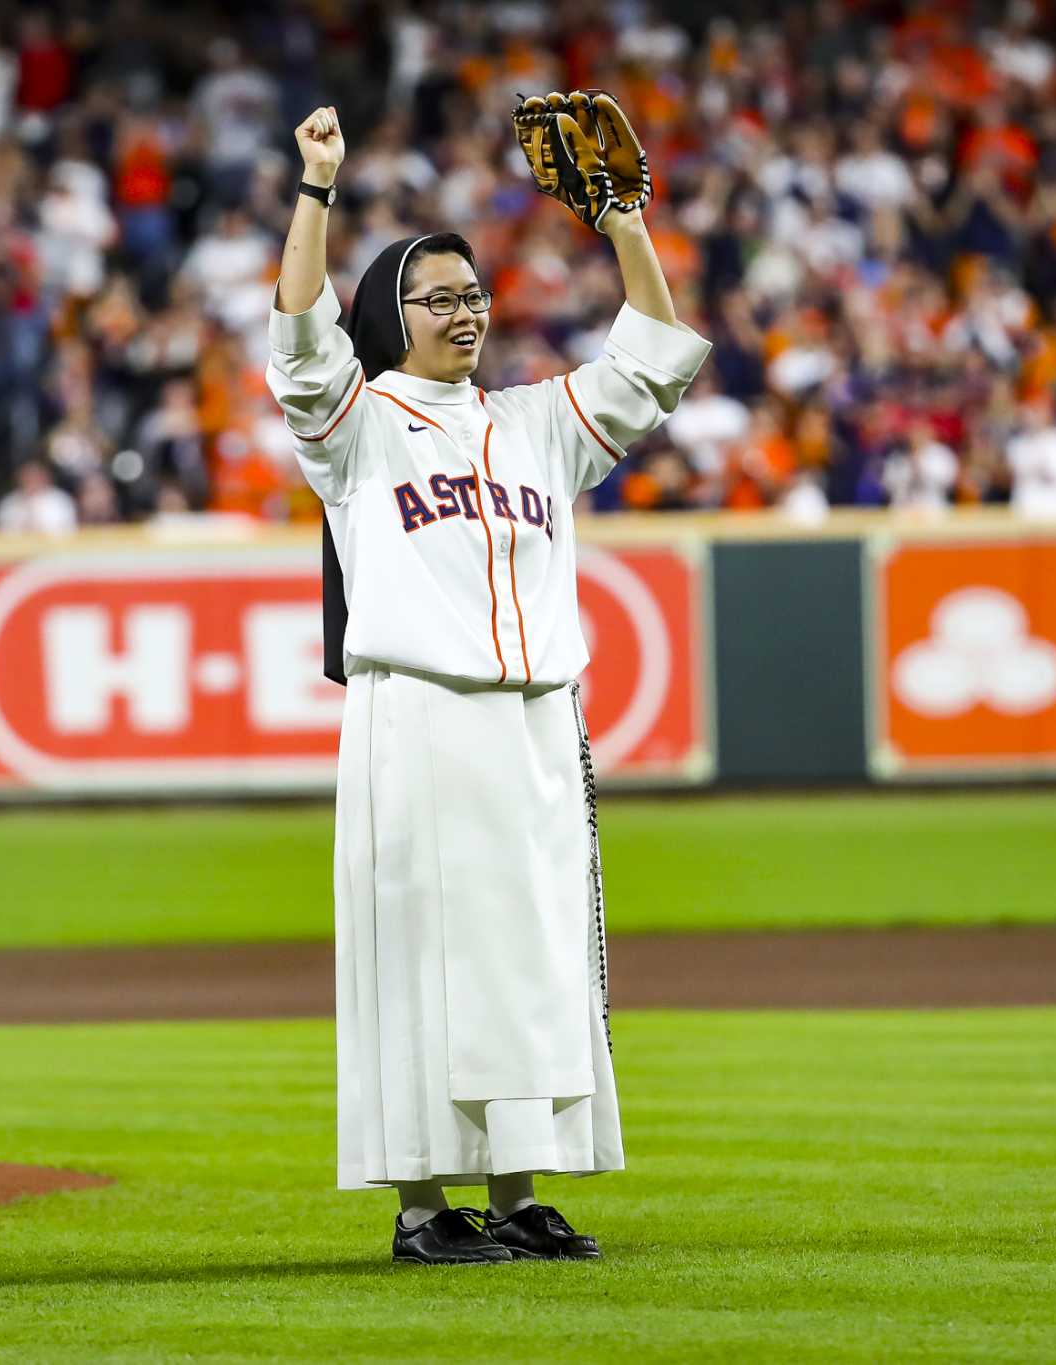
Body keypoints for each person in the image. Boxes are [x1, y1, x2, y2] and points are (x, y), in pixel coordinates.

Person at [265, 106, 709, 1265]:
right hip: (416, 713)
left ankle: (514, 1192)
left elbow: (653, 356)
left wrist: (622, 224)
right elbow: (299, 337)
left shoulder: (534, 425)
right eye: (437, 299)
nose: (464, 314)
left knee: (530, 960)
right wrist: (314, 192)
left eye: (472, 297)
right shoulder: (354, 429)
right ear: (390, 317)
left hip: (534, 722)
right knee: (420, 958)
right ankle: (422, 1208)